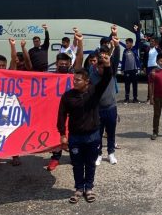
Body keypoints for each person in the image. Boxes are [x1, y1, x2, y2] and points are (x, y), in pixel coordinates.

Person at [57, 56, 113, 204]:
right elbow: (61, 115)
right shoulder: (67, 96)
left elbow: (107, 78)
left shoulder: (94, 92)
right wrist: (62, 134)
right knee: (77, 164)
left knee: (90, 163)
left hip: (92, 136)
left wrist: (107, 64)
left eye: (78, 80)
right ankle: (78, 189)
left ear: (87, 81)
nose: (75, 82)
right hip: (75, 137)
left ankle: (88, 188)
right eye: (74, 79)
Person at [90, 25, 121, 166]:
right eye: (100, 65)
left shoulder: (111, 72)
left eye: (105, 66)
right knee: (97, 133)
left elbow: (114, 58)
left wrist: (116, 43)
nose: (102, 68)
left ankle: (111, 153)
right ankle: (98, 154)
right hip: (97, 109)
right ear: (96, 65)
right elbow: (101, 51)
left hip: (111, 108)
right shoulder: (92, 73)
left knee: (111, 132)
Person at [121, 24, 142, 103]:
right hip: (127, 70)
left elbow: (138, 39)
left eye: (127, 43)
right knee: (127, 85)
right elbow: (123, 61)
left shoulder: (135, 49)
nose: (126, 44)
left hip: (134, 70)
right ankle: (127, 98)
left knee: (134, 85)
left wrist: (136, 31)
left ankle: (135, 98)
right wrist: (122, 69)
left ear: (131, 43)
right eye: (126, 43)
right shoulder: (125, 51)